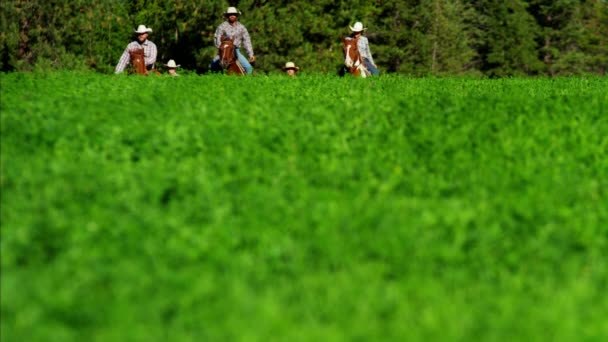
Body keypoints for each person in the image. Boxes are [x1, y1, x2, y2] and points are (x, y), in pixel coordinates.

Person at [209, 7, 255, 74]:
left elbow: (247, 41)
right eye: (230, 14)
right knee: (211, 66)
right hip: (224, 51)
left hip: (236, 51)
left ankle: (248, 82)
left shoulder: (242, 27)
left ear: (236, 16)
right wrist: (221, 48)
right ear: (227, 16)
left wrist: (251, 54)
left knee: (248, 68)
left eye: (234, 14)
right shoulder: (222, 26)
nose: (232, 16)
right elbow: (217, 37)